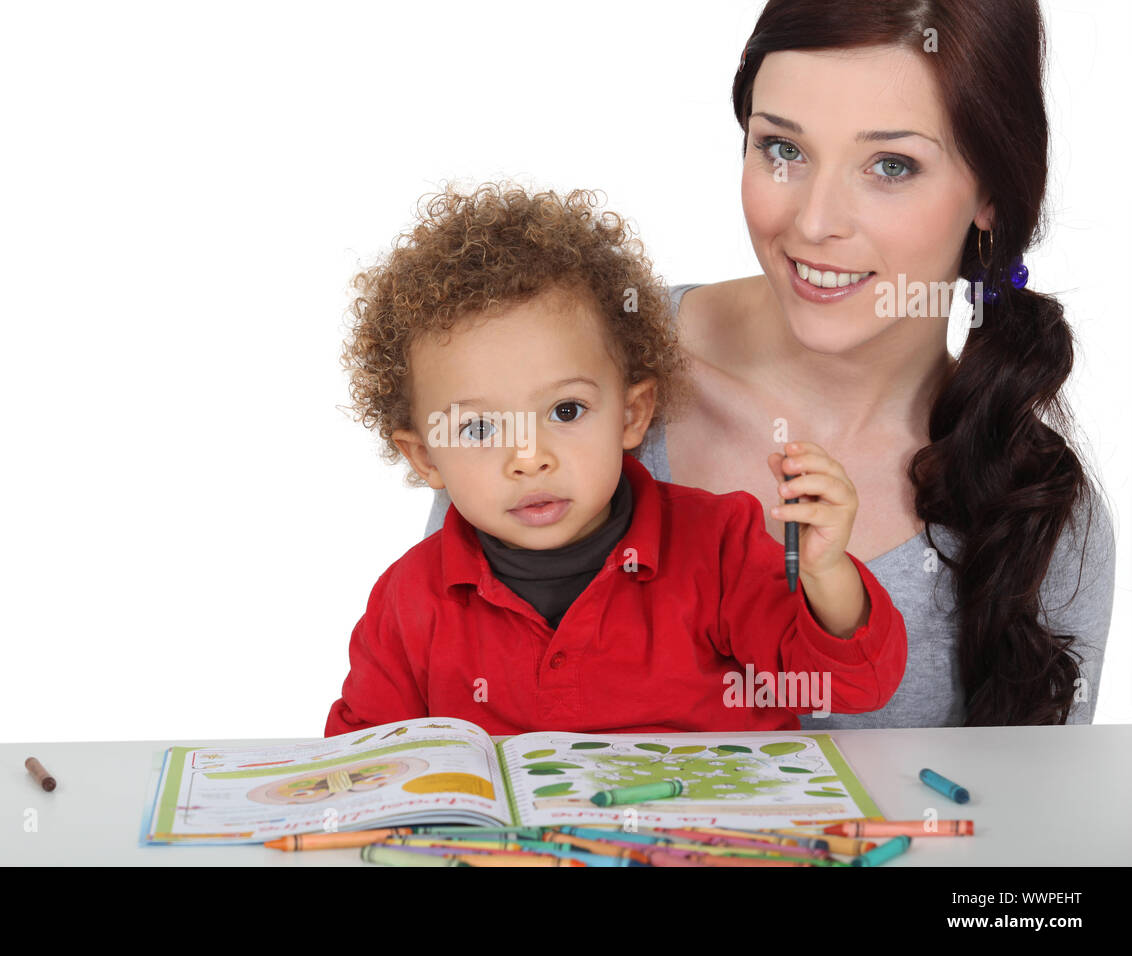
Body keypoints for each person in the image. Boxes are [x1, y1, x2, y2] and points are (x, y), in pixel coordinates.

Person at [423, 0, 1116, 728]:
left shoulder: (1040, 511)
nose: (815, 222)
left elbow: (1031, 829)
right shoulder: (570, 362)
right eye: (783, 149)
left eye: (890, 165)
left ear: (992, 192)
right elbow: (444, 741)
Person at [325, 183, 907, 737]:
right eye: (479, 427)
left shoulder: (720, 546)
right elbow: (369, 761)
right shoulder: (408, 602)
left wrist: (826, 573)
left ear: (632, 414)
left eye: (566, 411)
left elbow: (844, 689)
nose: (529, 459)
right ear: (424, 457)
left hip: (709, 837)